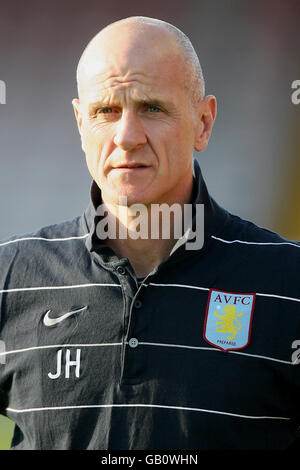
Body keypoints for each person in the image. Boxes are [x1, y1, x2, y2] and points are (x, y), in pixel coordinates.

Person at [0, 16, 299, 450]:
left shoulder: (288, 281)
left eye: (152, 108)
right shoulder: (11, 277)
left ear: (203, 122)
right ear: (81, 123)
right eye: (106, 111)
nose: (126, 136)